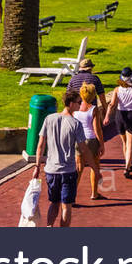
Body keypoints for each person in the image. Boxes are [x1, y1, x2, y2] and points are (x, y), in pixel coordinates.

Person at [32, 89, 89, 227]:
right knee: (66, 206)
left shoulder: (49, 119)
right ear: (70, 103)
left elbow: (40, 145)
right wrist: (94, 166)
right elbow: (83, 148)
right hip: (68, 171)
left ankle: (49, 227)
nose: (81, 105)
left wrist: (37, 167)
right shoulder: (75, 124)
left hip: (51, 170)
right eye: (79, 102)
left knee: (54, 202)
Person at [73, 84, 105, 201]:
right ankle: (94, 193)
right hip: (91, 140)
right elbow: (97, 129)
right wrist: (101, 144)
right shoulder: (93, 109)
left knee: (79, 168)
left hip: (79, 140)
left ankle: (72, 196)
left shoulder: (76, 108)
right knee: (94, 166)